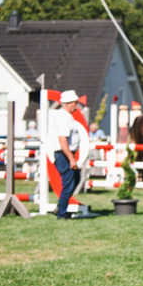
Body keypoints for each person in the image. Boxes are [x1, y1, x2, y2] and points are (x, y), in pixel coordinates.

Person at [51, 90, 83, 219]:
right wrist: (71, 159)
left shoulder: (66, 116)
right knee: (69, 182)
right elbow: (63, 141)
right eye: (75, 103)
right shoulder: (64, 117)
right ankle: (62, 213)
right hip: (63, 154)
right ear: (69, 103)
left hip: (65, 153)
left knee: (75, 179)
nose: (77, 105)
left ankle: (61, 207)